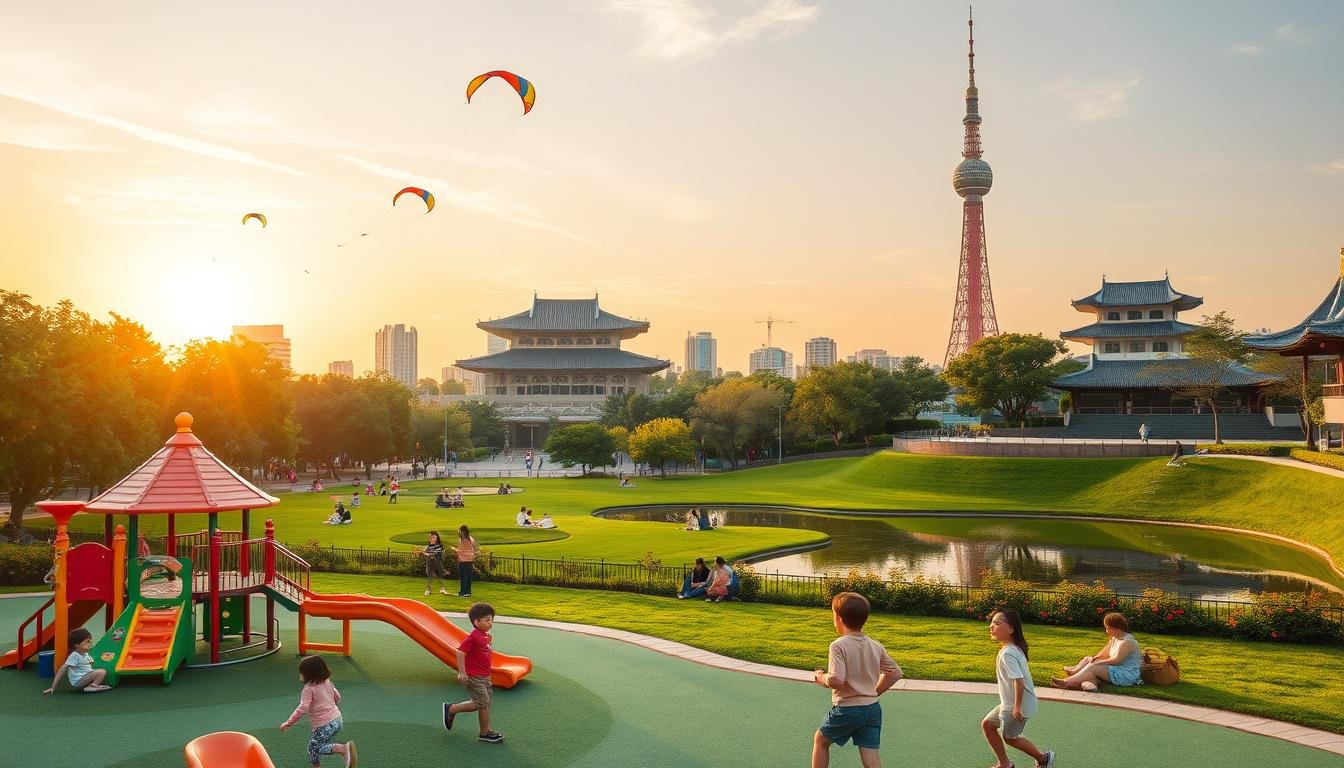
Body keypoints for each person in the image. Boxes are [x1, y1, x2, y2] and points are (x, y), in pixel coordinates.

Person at [811, 592, 902, 768]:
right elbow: (896, 673)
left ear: (839, 618)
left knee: (821, 742)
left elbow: (837, 679)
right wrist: (875, 691)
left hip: (847, 710)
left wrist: (821, 677)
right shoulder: (875, 645)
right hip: (872, 710)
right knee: (871, 760)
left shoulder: (838, 645)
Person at [983, 610, 1054, 768]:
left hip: (1016, 706)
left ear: (1011, 629)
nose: (991, 626)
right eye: (991, 623)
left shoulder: (1008, 653)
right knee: (988, 724)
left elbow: (1018, 681)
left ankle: (1043, 758)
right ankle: (1005, 763)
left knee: (1010, 737)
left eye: (997, 623)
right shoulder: (1013, 648)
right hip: (1011, 704)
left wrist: (1016, 707)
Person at [442, 602, 504, 743]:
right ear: (476, 622)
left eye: (491, 619)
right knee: (482, 702)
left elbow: (484, 654)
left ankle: (485, 731)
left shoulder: (487, 637)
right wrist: (462, 672)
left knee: (485, 703)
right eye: (487, 620)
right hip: (474, 676)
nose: (490, 623)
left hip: (485, 676)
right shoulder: (473, 637)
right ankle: (452, 709)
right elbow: (460, 652)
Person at [280, 655, 357, 767]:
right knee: (315, 747)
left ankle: (343, 749)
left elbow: (303, 708)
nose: (300, 674)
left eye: (302, 672)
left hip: (324, 725)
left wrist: (289, 722)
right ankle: (341, 753)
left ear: (309, 673)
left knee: (314, 748)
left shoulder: (309, 689)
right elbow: (338, 698)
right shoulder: (328, 683)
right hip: (338, 721)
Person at [1051, 612, 1142, 692]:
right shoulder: (1116, 638)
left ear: (1115, 628)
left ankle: (1066, 681)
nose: (1106, 631)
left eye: (1107, 628)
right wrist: (1095, 658)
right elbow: (1105, 652)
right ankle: (1087, 683)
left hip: (1126, 674)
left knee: (1093, 667)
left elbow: (1116, 660)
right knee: (1089, 660)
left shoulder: (1127, 642)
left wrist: (1098, 663)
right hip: (1116, 668)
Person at [43, 628, 111, 693]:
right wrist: (53, 687)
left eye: (90, 641)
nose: (90, 644)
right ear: (76, 645)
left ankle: (93, 685)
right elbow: (63, 669)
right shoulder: (75, 655)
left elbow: (91, 664)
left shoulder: (85, 654)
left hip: (84, 677)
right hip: (78, 681)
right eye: (87, 641)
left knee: (102, 671)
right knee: (101, 672)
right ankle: (93, 686)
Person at [451, 525, 477, 598]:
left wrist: (454, 549)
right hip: (469, 560)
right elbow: (473, 549)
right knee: (468, 577)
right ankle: (468, 592)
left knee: (463, 577)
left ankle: (462, 592)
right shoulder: (471, 539)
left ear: (463, 531)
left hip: (463, 560)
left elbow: (461, 550)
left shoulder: (463, 540)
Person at [421, 531, 449, 596]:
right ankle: (429, 589)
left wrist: (430, 555)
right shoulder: (428, 546)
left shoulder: (440, 545)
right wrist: (426, 554)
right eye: (431, 537)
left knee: (439, 576)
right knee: (430, 575)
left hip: (438, 562)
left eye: (434, 537)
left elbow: (440, 553)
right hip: (431, 563)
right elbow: (425, 554)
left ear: (437, 538)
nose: (432, 538)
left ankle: (440, 589)